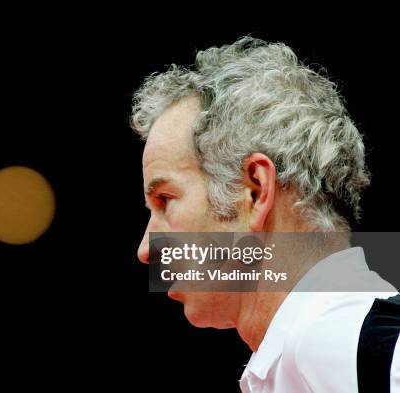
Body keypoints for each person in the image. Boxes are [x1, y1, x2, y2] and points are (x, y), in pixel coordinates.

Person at [132, 37, 400, 392]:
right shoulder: (319, 352)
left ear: (256, 191)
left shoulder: (350, 344)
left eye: (166, 199)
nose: (145, 250)